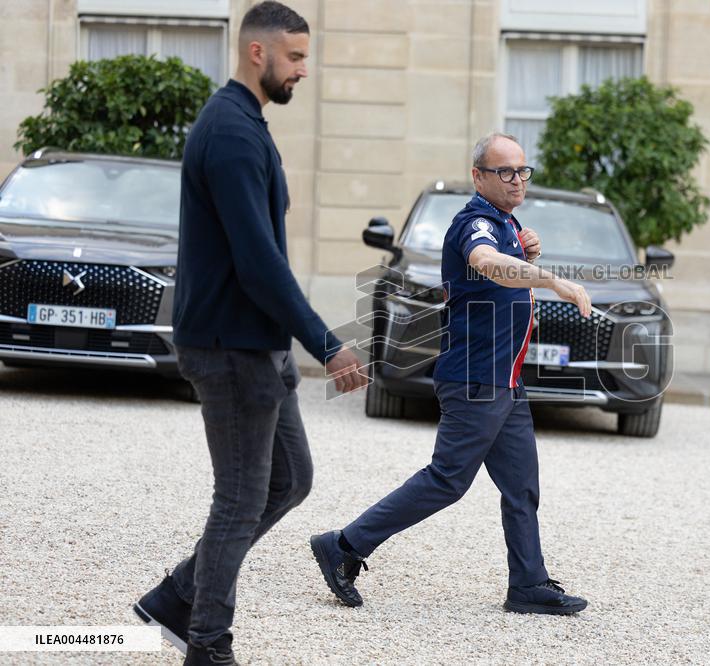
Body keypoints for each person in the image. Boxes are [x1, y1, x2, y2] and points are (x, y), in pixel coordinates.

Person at [132, 3, 367, 664]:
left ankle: (178, 595)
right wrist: (327, 342)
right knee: (239, 500)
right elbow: (258, 261)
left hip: (256, 347)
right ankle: (207, 645)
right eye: (294, 57)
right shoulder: (231, 132)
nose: (304, 70)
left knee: (289, 480)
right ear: (257, 53)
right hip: (230, 350)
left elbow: (263, 260)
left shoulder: (247, 124)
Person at [310, 133, 592, 615]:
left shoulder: (505, 221)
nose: (517, 180)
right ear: (479, 176)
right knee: (447, 480)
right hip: (476, 379)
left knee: (522, 485)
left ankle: (528, 585)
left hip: (505, 380)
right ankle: (344, 545)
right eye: (505, 171)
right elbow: (486, 263)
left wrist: (530, 256)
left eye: (523, 170)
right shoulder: (475, 223)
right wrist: (549, 279)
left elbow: (505, 270)